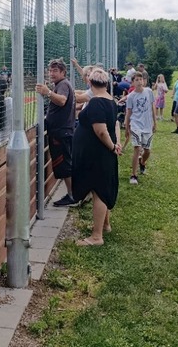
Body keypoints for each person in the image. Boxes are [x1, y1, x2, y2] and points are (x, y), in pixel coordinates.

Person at [71, 68, 121, 246]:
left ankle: (96, 236)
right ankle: (105, 224)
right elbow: (114, 125)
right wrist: (116, 144)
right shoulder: (110, 100)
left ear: (90, 83)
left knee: (99, 191)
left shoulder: (96, 103)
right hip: (101, 153)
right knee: (100, 188)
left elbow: (101, 131)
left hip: (97, 154)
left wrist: (112, 146)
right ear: (106, 83)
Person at [35, 58, 76, 206]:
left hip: (61, 133)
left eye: (55, 71)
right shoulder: (61, 84)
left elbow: (62, 100)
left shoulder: (63, 84)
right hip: (62, 131)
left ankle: (72, 196)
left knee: (64, 165)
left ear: (63, 72)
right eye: (50, 70)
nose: (52, 73)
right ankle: (73, 193)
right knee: (64, 164)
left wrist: (48, 92)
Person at [124, 71, 156, 184]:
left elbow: (152, 107)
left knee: (147, 150)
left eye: (140, 79)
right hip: (135, 124)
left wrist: (155, 122)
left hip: (147, 125)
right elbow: (129, 112)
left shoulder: (149, 92)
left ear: (144, 81)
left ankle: (142, 162)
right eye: (136, 80)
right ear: (132, 83)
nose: (139, 82)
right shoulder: (131, 96)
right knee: (137, 148)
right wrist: (127, 127)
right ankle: (134, 175)